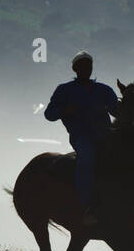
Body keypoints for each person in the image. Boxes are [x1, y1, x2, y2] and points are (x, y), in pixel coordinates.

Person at [43, 51, 117, 226]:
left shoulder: (104, 90)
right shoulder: (64, 90)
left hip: (106, 137)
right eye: (82, 66)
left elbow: (117, 111)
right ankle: (87, 207)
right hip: (82, 138)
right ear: (75, 69)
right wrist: (66, 110)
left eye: (89, 66)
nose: (86, 69)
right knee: (87, 158)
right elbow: (49, 114)